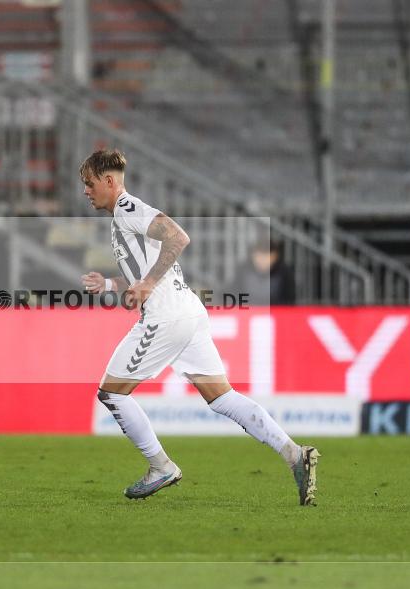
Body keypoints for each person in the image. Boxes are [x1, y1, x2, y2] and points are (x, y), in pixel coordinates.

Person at [79, 149, 319, 505]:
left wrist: (146, 285)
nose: (86, 191)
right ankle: (294, 455)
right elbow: (143, 267)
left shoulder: (129, 209)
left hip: (166, 316)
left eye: (90, 183)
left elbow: (178, 237)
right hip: (188, 313)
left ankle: (160, 467)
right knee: (222, 397)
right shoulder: (123, 219)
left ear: (110, 181)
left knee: (111, 392)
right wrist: (113, 285)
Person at [228, 237, 296, 306]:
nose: (263, 261)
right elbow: (234, 294)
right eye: (260, 257)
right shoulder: (243, 271)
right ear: (253, 256)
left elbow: (289, 300)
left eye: (266, 257)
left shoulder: (284, 273)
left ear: (275, 257)